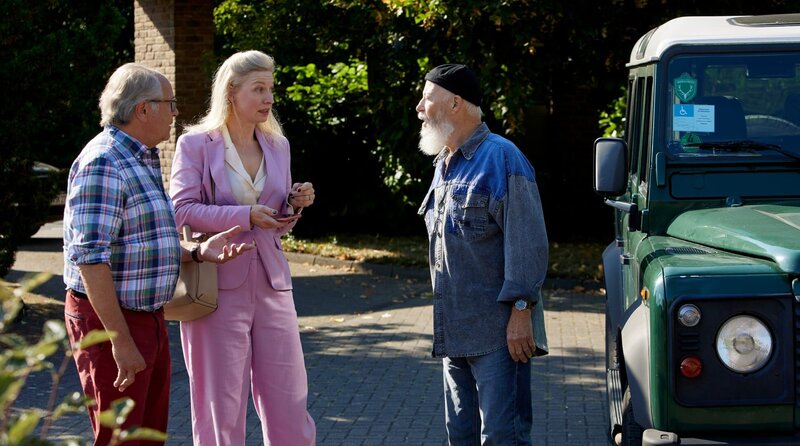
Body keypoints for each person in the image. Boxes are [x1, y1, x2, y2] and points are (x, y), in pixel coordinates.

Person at [63, 63, 254, 446]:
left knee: (147, 436)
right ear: (142, 110)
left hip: (146, 318)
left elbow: (141, 243)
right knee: (122, 438)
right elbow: (90, 259)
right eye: (170, 103)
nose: (176, 112)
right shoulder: (104, 161)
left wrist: (198, 252)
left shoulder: (141, 157)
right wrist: (120, 341)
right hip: (112, 321)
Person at [169, 50, 317, 445]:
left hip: (272, 285)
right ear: (232, 92)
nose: (269, 98)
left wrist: (293, 204)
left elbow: (276, 224)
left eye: (271, 88)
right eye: (259, 89)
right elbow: (181, 211)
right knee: (221, 405)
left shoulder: (278, 145)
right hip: (215, 287)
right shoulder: (196, 143)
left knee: (289, 399)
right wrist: (245, 215)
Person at [415, 63, 549, 445]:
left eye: (427, 98)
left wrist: (521, 313)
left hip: (499, 338)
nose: (419, 108)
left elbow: (528, 243)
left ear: (455, 103)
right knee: (461, 436)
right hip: (453, 333)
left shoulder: (503, 158)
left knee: (502, 437)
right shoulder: (444, 162)